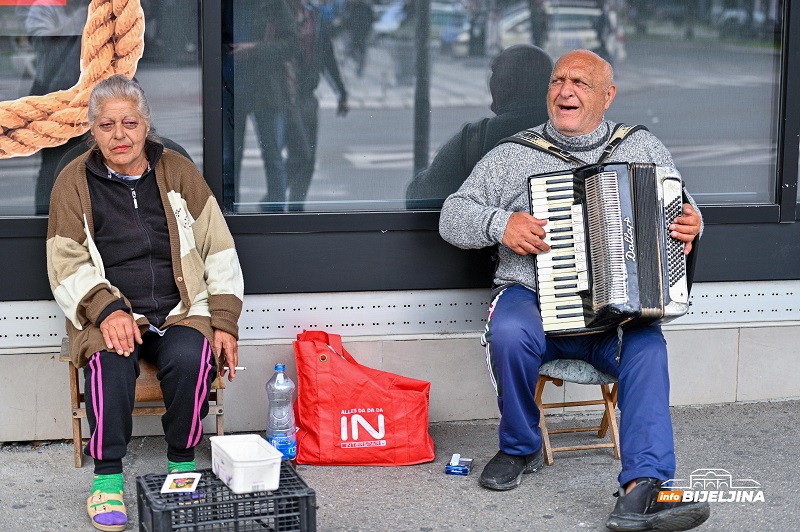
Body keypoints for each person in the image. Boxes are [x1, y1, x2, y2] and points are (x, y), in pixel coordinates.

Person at [439, 50, 710, 531]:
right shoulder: (511, 156)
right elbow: (452, 216)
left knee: (649, 348)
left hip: (616, 315)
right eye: (558, 81)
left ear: (608, 96)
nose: (565, 91)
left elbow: (680, 208)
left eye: (580, 83)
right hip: (535, 300)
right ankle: (520, 448)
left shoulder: (641, 148)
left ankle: (641, 490)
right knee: (508, 331)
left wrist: (693, 224)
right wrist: (500, 223)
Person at [46, 75, 244, 532]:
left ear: (146, 124)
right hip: (111, 312)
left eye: (129, 123)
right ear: (91, 131)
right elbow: (65, 261)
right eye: (107, 125)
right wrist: (107, 309)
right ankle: (107, 476)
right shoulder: (72, 183)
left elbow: (220, 247)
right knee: (109, 363)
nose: (120, 135)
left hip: (180, 308)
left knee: (191, 357)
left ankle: (181, 462)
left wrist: (225, 321)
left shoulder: (177, 171)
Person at [406, 44, 553, 209]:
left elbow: (418, 199)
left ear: (508, 86)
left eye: (494, 75)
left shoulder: (473, 141)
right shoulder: (573, 133)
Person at [222, 0, 298, 211]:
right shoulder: (225, 5)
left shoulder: (273, 4)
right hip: (231, 87)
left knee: (272, 154)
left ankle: (275, 213)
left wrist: (256, 49)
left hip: (265, 89)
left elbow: (292, 43)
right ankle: (228, 211)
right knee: (229, 157)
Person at [25, 0, 90, 215]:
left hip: (88, 93)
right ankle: (44, 217)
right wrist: (78, 20)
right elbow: (41, 43)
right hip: (51, 95)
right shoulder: (45, 6)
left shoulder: (96, 8)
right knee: (52, 165)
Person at [285, 0, 349, 211]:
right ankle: (272, 199)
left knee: (307, 158)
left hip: (307, 96)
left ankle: (295, 207)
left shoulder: (316, 18)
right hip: (285, 97)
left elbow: (327, 56)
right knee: (298, 155)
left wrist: (341, 91)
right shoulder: (282, 13)